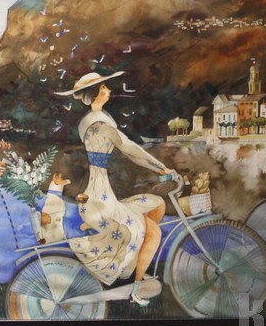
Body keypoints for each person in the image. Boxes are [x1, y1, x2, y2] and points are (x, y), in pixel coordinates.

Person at [56, 71, 179, 306]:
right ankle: (136, 289)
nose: (109, 90)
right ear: (96, 92)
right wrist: (162, 167)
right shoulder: (100, 124)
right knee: (154, 233)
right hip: (99, 199)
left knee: (157, 204)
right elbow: (130, 149)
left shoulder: (93, 120)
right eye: (104, 87)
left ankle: (136, 262)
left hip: (100, 192)